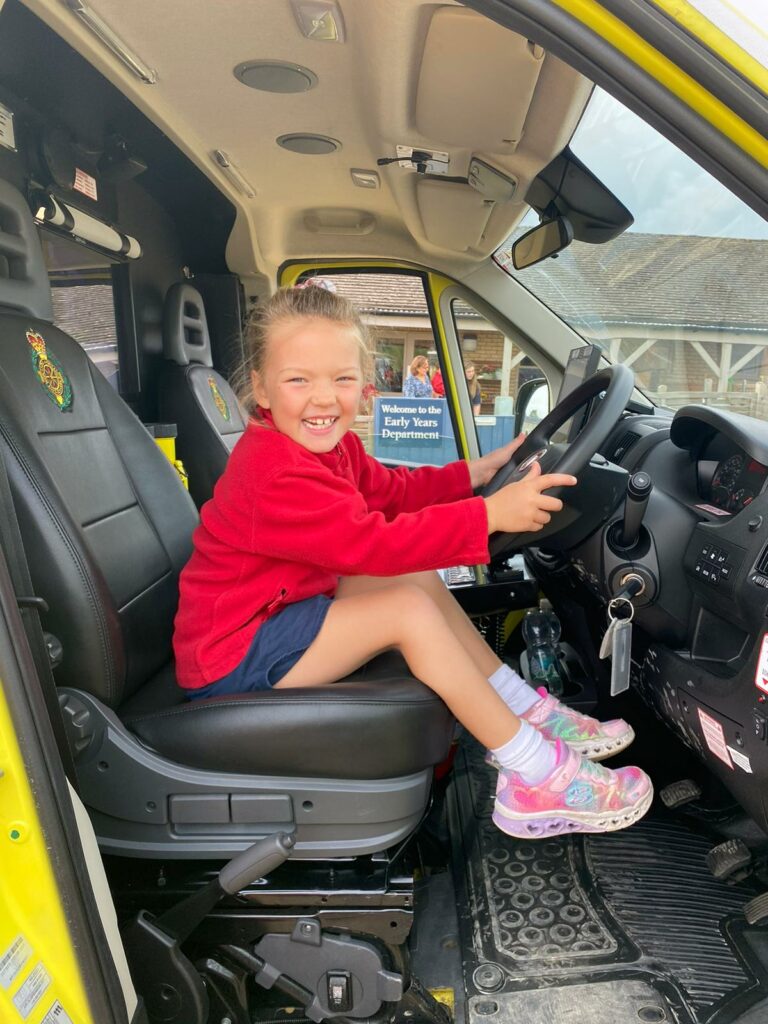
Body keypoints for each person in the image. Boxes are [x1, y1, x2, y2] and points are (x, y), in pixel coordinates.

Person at [173, 284, 652, 839]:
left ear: (366, 385)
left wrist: (477, 473)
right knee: (406, 609)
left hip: (274, 616)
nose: (324, 399)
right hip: (232, 654)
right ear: (260, 388)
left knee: (414, 577)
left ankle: (525, 711)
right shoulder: (273, 472)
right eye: (298, 379)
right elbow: (374, 544)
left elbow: (394, 491)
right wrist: (489, 515)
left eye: (342, 379)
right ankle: (535, 776)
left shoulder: (332, 447)